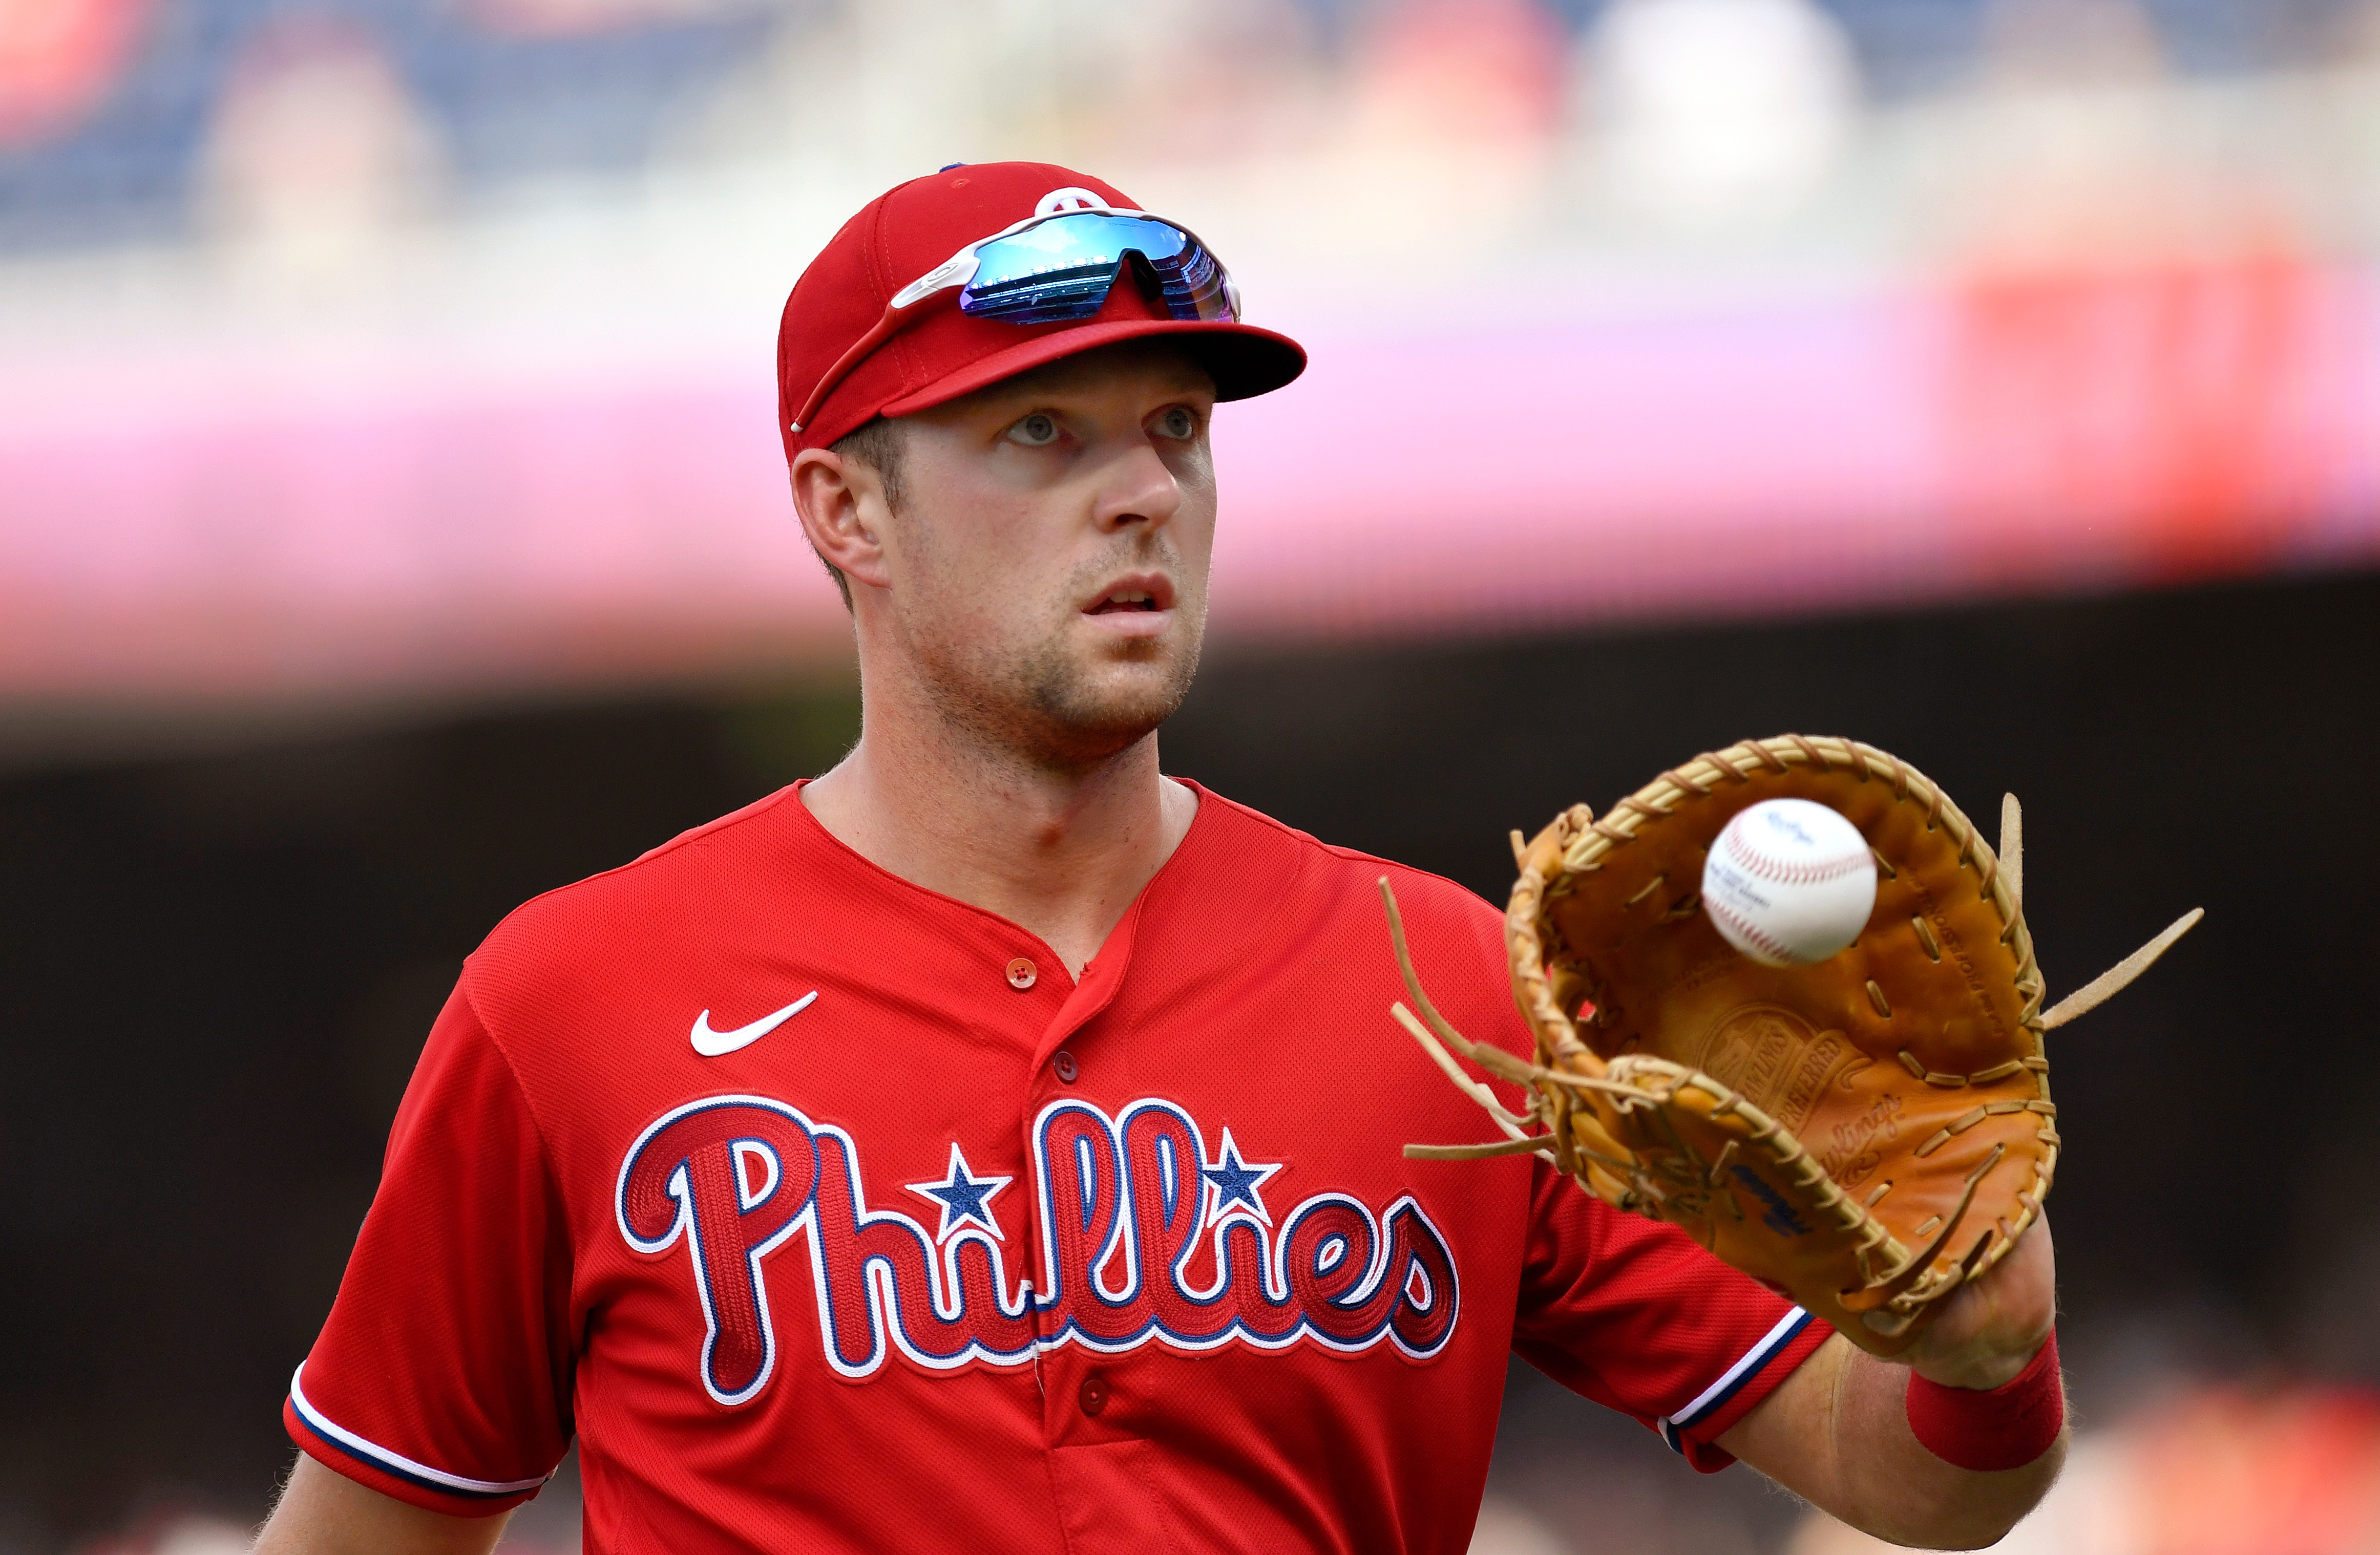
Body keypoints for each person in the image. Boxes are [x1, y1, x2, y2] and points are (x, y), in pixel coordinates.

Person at [254, 162, 2065, 1555]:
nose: (1142, 494)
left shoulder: (1441, 982)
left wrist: (1987, 1354)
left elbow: (1912, 1482)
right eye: (1039, 431)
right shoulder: (575, 1003)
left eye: (1175, 432)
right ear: (842, 509)